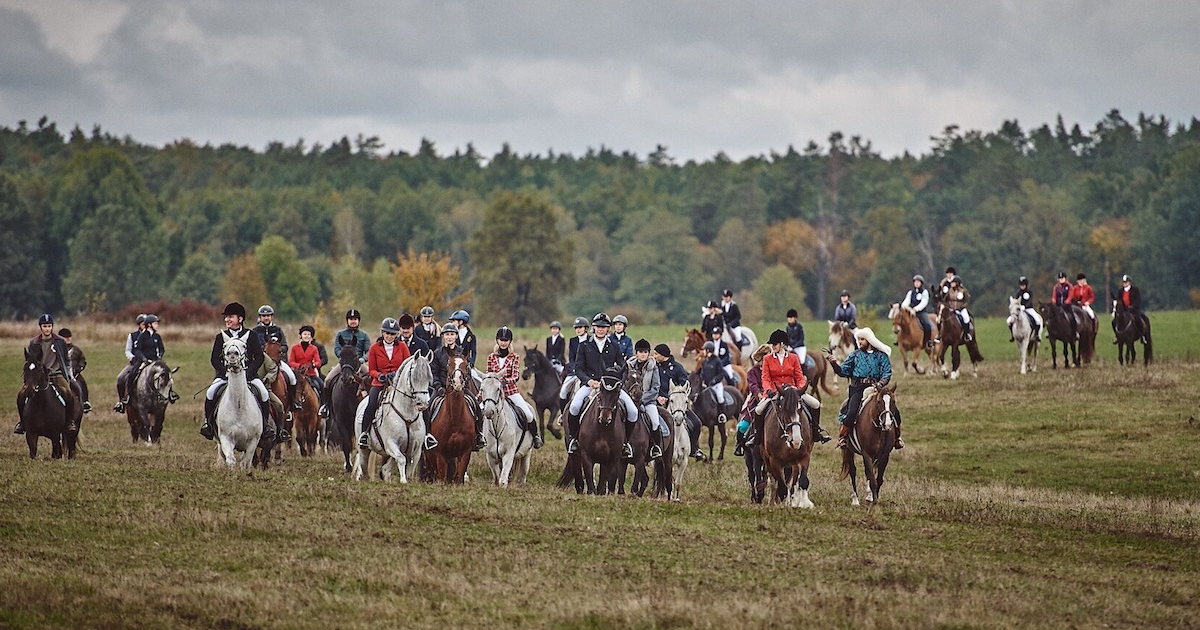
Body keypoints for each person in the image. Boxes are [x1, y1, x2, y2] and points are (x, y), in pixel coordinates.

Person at [201, 303, 281, 442]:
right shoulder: (221, 336)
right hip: (225, 376)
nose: (227, 320)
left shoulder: (251, 335)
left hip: (248, 376)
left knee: (263, 393)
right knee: (210, 393)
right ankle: (209, 425)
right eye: (226, 317)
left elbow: (259, 357)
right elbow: (214, 359)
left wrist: (249, 372)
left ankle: (266, 426)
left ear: (240, 319)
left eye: (230, 317)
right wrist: (224, 371)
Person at [565, 313, 640, 459]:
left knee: (633, 411)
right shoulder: (584, 345)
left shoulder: (614, 346)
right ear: (593, 328)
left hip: (611, 388)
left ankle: (625, 443)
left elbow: (623, 367)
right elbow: (578, 368)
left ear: (608, 329)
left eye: (604, 327)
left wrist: (618, 382)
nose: (600, 329)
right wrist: (589, 381)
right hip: (590, 385)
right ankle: (574, 439)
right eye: (598, 327)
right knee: (574, 407)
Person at [826, 327, 902, 449]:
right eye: (858, 339)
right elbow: (842, 371)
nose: (859, 342)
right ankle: (843, 437)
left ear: (869, 340)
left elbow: (887, 373)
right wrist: (834, 363)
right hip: (858, 389)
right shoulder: (855, 355)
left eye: (862, 339)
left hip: (877, 388)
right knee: (851, 413)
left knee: (894, 411)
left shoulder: (881, 356)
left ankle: (897, 438)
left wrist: (880, 385)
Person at [759, 329, 829, 443]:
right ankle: (757, 437)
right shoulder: (767, 359)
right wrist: (768, 390)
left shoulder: (793, 358)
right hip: (775, 392)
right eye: (771, 344)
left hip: (793, 392)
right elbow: (765, 378)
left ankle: (816, 432)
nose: (772, 346)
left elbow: (799, 377)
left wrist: (800, 389)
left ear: (782, 344)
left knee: (816, 404)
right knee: (758, 410)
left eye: (775, 344)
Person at [15, 314, 80, 434]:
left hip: (56, 374)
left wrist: (68, 373)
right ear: (41, 327)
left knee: (68, 392)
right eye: (45, 326)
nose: (47, 328)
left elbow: (66, 359)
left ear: (52, 327)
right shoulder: (34, 343)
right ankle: (22, 423)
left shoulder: (60, 341)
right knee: (21, 395)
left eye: (49, 326)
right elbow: (31, 360)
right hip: (38, 376)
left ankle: (70, 421)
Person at [358, 318, 412, 449]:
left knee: (418, 402)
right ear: (383, 333)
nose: (389, 336)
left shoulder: (403, 347)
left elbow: (408, 364)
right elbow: (371, 370)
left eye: (392, 334)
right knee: (371, 404)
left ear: (396, 335)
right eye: (387, 333)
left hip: (399, 384)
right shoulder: (374, 348)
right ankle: (364, 434)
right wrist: (380, 375)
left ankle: (425, 435)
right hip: (380, 383)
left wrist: (397, 373)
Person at [486, 326, 542, 449]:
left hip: (510, 392)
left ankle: (536, 436)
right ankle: (479, 437)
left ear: (510, 342)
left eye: (506, 340)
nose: (503, 342)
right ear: (497, 340)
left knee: (528, 414)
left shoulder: (514, 357)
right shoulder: (491, 357)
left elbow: (515, 376)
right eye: (501, 339)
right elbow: (489, 374)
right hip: (494, 393)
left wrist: (505, 382)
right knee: (480, 411)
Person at [652, 343, 705, 460]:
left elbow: (683, 383)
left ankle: (694, 449)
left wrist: (670, 396)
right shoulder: (653, 367)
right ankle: (650, 449)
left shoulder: (677, 368)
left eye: (656, 354)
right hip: (656, 402)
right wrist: (657, 397)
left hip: (676, 403)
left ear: (663, 355)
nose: (654, 356)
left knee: (697, 423)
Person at [428, 322, 475, 451]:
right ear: (443, 336)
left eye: (452, 334)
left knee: (476, 405)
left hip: (461, 389)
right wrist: (438, 387)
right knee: (428, 406)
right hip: (442, 389)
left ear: (456, 336)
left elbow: (468, 372)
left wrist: (463, 385)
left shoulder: (462, 352)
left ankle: (478, 436)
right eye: (447, 334)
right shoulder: (437, 353)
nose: (449, 337)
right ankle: (427, 436)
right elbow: (434, 373)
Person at [254, 305, 300, 411]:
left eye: (268, 315)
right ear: (260, 317)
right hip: (261, 362)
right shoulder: (255, 331)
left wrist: (277, 350)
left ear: (272, 317)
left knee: (292, 377)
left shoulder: (278, 330)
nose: (266, 318)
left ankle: (293, 402)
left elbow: (285, 345)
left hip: (277, 361)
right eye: (264, 316)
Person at [627, 339, 667, 459]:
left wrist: (642, 399)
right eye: (640, 351)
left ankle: (656, 447)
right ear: (636, 353)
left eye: (645, 351)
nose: (643, 354)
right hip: (631, 400)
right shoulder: (628, 366)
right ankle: (623, 445)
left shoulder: (653, 367)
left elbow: (656, 388)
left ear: (648, 353)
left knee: (655, 422)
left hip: (648, 401)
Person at [734, 344, 771, 457]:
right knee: (743, 425)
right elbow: (753, 385)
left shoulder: (772, 369)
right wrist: (759, 394)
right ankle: (739, 444)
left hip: (772, 395)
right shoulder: (752, 372)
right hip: (756, 397)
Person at [325, 308, 371, 391]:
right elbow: (337, 349)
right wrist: (344, 357)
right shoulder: (340, 334)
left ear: (358, 321)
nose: (353, 321)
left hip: (359, 363)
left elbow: (368, 351)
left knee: (372, 379)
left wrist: (363, 359)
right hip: (344, 363)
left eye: (355, 319)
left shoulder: (364, 335)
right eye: (351, 319)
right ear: (347, 321)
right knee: (327, 380)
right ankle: (327, 403)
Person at [288, 325, 325, 414]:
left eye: (309, 334)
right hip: (298, 374)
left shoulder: (314, 348)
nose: (307, 336)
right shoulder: (294, 348)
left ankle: (323, 407)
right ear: (301, 335)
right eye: (305, 334)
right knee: (290, 386)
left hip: (310, 374)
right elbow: (291, 362)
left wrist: (313, 365)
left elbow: (318, 362)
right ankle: (290, 406)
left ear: (311, 337)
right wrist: (299, 366)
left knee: (321, 385)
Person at [113, 314, 146, 413]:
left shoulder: (152, 336)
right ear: (139, 324)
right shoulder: (132, 336)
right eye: (143, 324)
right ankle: (122, 402)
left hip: (149, 363)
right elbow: (128, 350)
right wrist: (132, 358)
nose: (145, 326)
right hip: (135, 363)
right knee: (120, 378)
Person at [557, 316, 590, 410]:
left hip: (588, 372)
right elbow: (571, 357)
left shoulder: (591, 340)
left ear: (586, 328)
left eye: (580, 327)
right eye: (576, 328)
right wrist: (574, 368)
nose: (578, 330)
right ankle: (563, 415)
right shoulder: (573, 341)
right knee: (563, 391)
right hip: (574, 372)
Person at [699, 341, 734, 423]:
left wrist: (714, 380)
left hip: (716, 385)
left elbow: (721, 374)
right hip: (707, 385)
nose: (703, 351)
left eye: (704, 350)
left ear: (708, 350)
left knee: (720, 398)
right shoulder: (705, 361)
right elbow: (702, 373)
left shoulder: (717, 360)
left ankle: (722, 415)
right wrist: (702, 379)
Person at [58, 328, 91, 413]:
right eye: (66, 337)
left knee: (82, 384)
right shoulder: (57, 350)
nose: (68, 339)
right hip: (60, 374)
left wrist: (80, 367)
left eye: (69, 337)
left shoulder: (76, 349)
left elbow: (82, 359)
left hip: (75, 373)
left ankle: (85, 402)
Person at [902, 275, 934, 349]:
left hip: (921, 312)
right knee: (902, 323)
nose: (916, 283)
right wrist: (907, 307)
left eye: (918, 282)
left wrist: (915, 309)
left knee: (927, 325)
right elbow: (906, 301)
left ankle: (928, 342)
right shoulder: (911, 292)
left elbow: (924, 303)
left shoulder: (924, 292)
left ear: (921, 283)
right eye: (915, 282)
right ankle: (900, 340)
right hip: (911, 312)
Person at [1007, 276, 1043, 342]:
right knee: (1009, 321)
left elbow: (1030, 301)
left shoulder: (1029, 292)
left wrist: (1025, 306)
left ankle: (1037, 335)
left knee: (1037, 320)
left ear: (1026, 285)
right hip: (1019, 310)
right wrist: (1018, 307)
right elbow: (1016, 301)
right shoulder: (1018, 292)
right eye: (1021, 285)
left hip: (1029, 309)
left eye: (1023, 285)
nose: (1022, 286)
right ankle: (1012, 335)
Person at [939, 276, 974, 342]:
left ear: (957, 283)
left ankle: (966, 334)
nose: (951, 284)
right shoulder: (949, 291)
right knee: (942, 318)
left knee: (966, 319)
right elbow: (945, 299)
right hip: (951, 309)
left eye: (953, 283)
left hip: (961, 309)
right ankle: (940, 335)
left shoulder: (963, 290)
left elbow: (967, 300)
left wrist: (962, 306)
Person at [1116, 274, 1146, 343]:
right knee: (1114, 321)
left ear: (1129, 282)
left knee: (1138, 319)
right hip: (1124, 311)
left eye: (1126, 282)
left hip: (1133, 310)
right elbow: (1119, 300)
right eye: (1123, 282)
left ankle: (1142, 336)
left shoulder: (1135, 290)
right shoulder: (1120, 291)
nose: (1124, 284)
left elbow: (1137, 300)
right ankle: (1117, 336)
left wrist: (1132, 306)